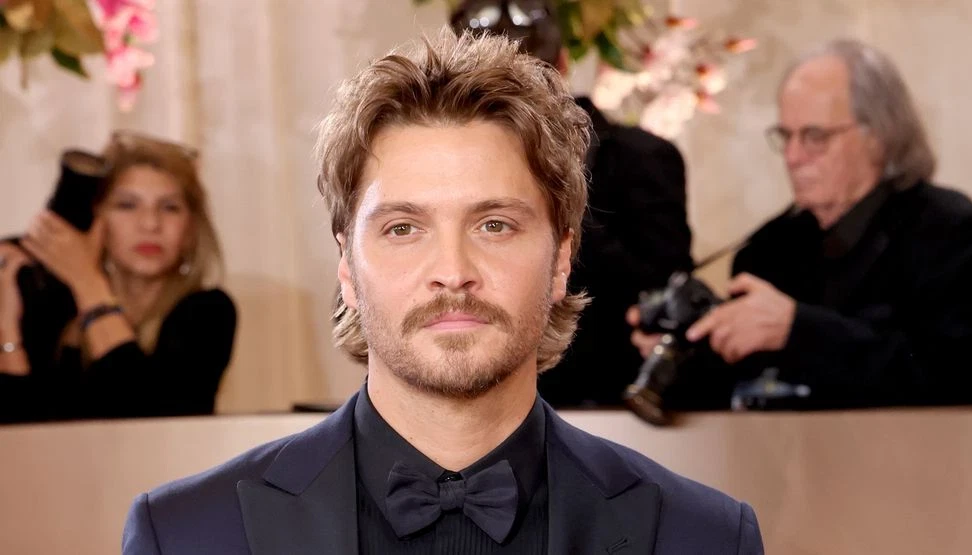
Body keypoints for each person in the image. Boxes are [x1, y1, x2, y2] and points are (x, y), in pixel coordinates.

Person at [122, 29, 763, 554]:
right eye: (404, 228)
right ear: (346, 262)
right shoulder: (184, 535)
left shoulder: (702, 537)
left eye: (493, 225)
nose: (452, 270)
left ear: (562, 257)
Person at [630, 38, 972, 410]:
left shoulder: (950, 230)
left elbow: (952, 376)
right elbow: (740, 391)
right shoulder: (770, 247)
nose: (793, 157)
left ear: (878, 138)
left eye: (815, 137)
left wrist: (797, 331)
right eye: (786, 136)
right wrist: (682, 353)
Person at [450, 0, 693, 407]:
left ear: (560, 67)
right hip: (474, 413)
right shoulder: (438, 172)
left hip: (614, 417)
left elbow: (665, 297)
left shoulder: (641, 159)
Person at [0, 132, 236, 423]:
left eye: (169, 207)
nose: (150, 224)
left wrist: (86, 280)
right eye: (127, 205)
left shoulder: (208, 312)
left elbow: (152, 424)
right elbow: (16, 429)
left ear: (190, 229)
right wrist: (7, 323)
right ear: (96, 220)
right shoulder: (54, 305)